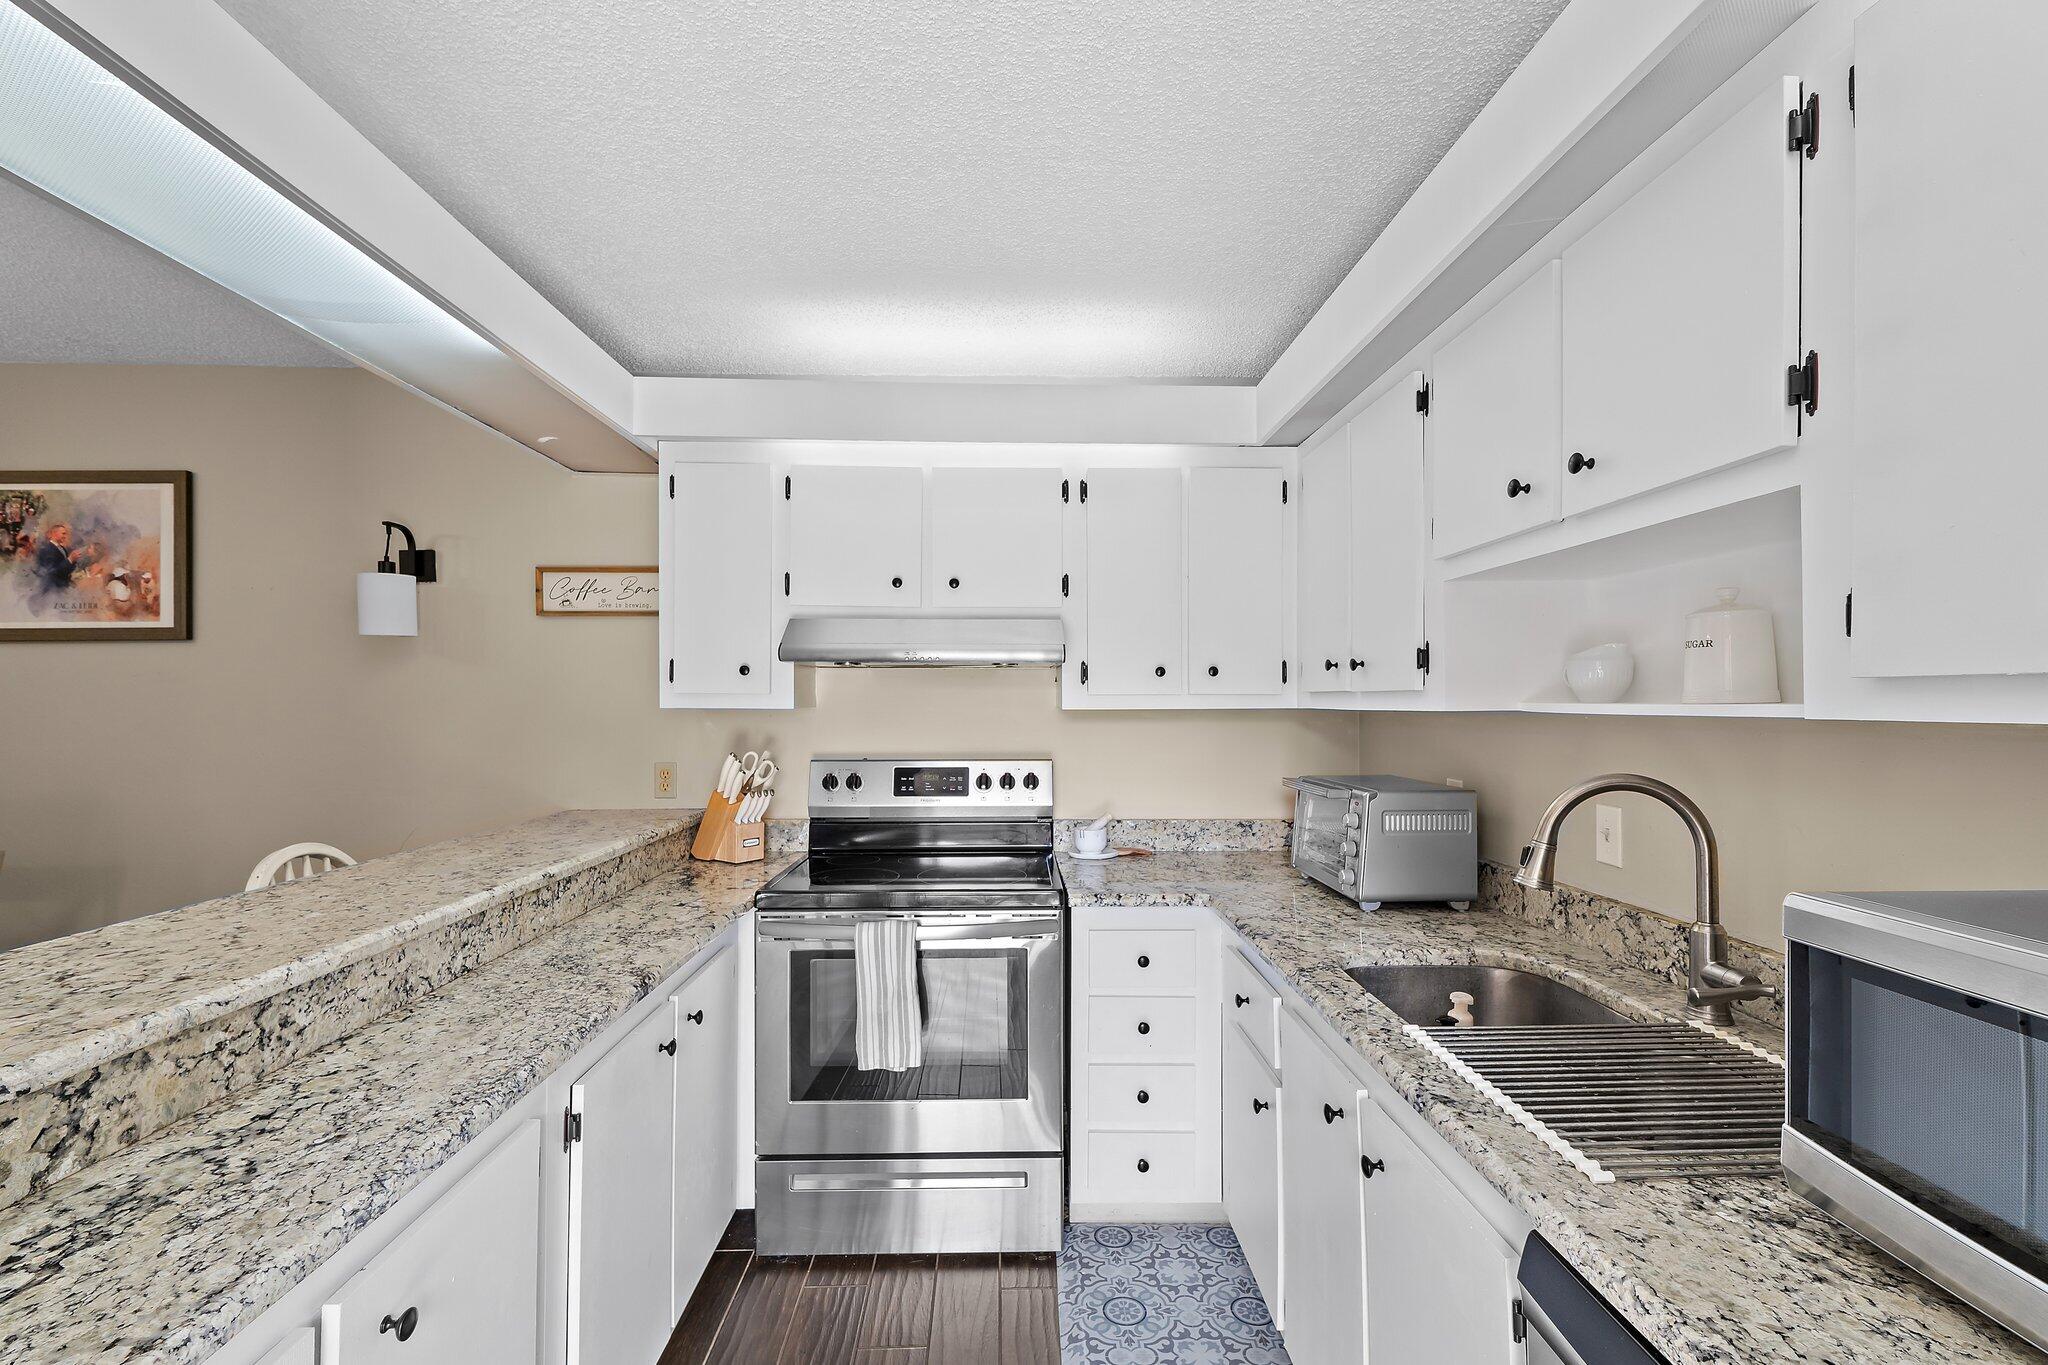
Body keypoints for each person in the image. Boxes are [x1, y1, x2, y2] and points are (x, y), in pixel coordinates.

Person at [33, 524, 95, 591]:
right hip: (54, 588)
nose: (65, 536)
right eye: (63, 533)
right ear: (54, 533)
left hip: (64, 586)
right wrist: (70, 559)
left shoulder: (62, 548)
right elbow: (52, 572)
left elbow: (67, 568)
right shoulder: (46, 549)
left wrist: (73, 560)